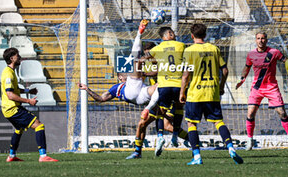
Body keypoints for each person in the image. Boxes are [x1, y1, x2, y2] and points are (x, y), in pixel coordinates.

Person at [179, 23, 243, 165]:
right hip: (212, 92)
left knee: (191, 124)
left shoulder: (189, 50)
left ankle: (197, 157)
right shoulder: (214, 49)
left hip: (195, 93)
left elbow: (185, 75)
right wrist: (221, 87)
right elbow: (225, 71)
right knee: (219, 122)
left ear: (192, 35)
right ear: (205, 35)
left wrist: (182, 92)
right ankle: (231, 148)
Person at [236, 32, 288, 151]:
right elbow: (247, 67)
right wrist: (242, 78)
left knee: (282, 112)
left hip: (271, 87)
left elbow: (287, 61)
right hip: (257, 88)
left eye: (263, 38)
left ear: (266, 40)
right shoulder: (251, 54)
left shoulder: (274, 52)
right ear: (256, 40)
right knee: (250, 113)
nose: (261, 40)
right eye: (258, 38)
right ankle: (249, 140)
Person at [78, 19, 159, 108]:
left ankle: (154, 108)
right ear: (120, 77)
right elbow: (101, 98)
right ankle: (139, 34)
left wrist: (87, 89)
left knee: (159, 87)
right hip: (131, 92)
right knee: (136, 61)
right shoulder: (118, 87)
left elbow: (101, 99)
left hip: (141, 95)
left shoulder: (132, 79)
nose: (127, 72)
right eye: (124, 72)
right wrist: (87, 89)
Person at [1, 48, 58, 162]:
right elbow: (10, 95)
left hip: (8, 109)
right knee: (39, 125)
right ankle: (43, 156)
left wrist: (28, 92)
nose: (20, 57)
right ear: (12, 58)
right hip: (12, 108)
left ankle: (11, 156)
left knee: (19, 129)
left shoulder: (10, 72)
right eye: (17, 55)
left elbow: (15, 90)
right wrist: (29, 101)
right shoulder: (8, 74)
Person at [144, 27, 185, 156]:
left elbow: (144, 57)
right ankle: (175, 135)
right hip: (178, 84)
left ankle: (160, 136)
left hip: (164, 85)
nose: (174, 34)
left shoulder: (157, 49)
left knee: (160, 111)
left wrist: (142, 71)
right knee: (179, 109)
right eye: (172, 32)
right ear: (169, 34)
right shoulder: (181, 45)